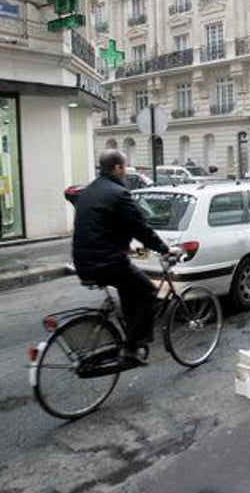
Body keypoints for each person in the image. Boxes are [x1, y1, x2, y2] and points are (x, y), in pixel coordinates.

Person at [72, 150, 180, 365]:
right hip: (106, 262)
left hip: (84, 260)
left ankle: (130, 338)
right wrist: (165, 249)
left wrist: (124, 247)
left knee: (130, 288)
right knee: (149, 291)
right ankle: (131, 348)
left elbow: (100, 226)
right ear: (118, 168)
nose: (124, 172)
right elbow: (140, 227)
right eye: (124, 167)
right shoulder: (119, 193)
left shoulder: (88, 191)